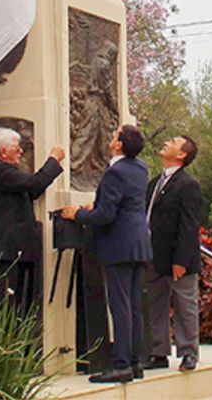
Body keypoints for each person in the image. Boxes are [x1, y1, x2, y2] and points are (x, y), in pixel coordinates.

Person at [61, 125, 152, 384]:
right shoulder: (141, 168)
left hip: (119, 244)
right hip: (138, 242)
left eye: (115, 136)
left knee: (120, 307)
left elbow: (105, 216)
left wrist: (77, 214)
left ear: (119, 145)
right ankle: (135, 361)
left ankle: (121, 364)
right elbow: (122, 204)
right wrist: (97, 205)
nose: (111, 137)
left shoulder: (115, 172)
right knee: (133, 306)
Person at [0, 127, 66, 316]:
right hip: (3, 255)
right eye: (16, 148)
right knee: (5, 313)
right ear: (3, 151)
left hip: (18, 253)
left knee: (22, 312)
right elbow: (35, 183)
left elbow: (32, 191)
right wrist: (53, 159)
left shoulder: (9, 175)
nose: (21, 151)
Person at [143, 135, 203, 373]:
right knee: (154, 305)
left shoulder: (188, 185)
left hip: (177, 259)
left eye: (174, 141)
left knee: (184, 306)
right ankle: (159, 352)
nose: (167, 142)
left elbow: (189, 226)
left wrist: (181, 260)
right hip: (152, 256)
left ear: (181, 155)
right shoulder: (154, 183)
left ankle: (188, 352)